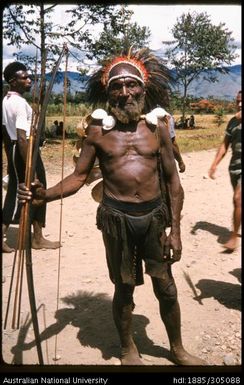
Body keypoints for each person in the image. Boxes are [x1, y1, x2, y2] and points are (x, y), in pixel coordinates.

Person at [18, 49, 206, 366]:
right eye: (117, 87)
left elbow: (174, 182)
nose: (124, 93)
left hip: (155, 219)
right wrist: (44, 195)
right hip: (117, 220)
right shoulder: (97, 132)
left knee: (166, 286)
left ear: (143, 89)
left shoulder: (157, 128)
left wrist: (175, 232)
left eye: (131, 85)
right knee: (124, 287)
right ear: (109, 93)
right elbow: (79, 177)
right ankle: (127, 349)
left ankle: (177, 349)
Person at [2, 61, 60, 252]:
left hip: (16, 150)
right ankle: (34, 238)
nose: (29, 80)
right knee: (31, 189)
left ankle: (37, 237)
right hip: (24, 151)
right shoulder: (18, 103)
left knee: (19, 190)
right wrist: (31, 168)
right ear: (13, 81)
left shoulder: (7, 100)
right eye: (24, 77)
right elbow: (21, 137)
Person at [208, 90, 242, 251]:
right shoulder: (233, 122)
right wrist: (214, 164)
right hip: (234, 167)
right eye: (238, 101)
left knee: (238, 199)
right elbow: (225, 145)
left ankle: (234, 237)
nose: (240, 104)